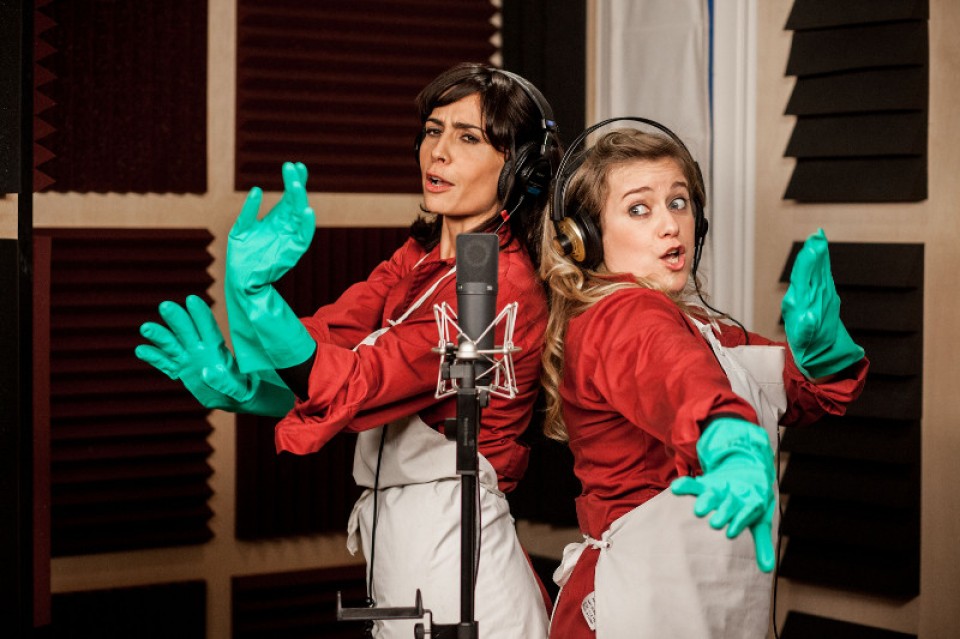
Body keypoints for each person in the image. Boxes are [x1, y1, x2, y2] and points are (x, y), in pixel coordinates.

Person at [135, 63, 563, 638]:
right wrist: (245, 383)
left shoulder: (496, 284)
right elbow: (329, 342)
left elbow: (361, 380)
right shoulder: (417, 260)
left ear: (521, 169)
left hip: (456, 545)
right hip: (402, 538)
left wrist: (256, 297)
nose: (438, 152)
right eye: (433, 131)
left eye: (468, 138)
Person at [538, 122, 868, 638]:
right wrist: (727, 439)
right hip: (637, 612)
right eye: (639, 209)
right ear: (588, 239)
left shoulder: (706, 331)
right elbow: (679, 380)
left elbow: (803, 396)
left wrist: (821, 352)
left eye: (679, 202)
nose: (670, 225)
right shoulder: (618, 318)